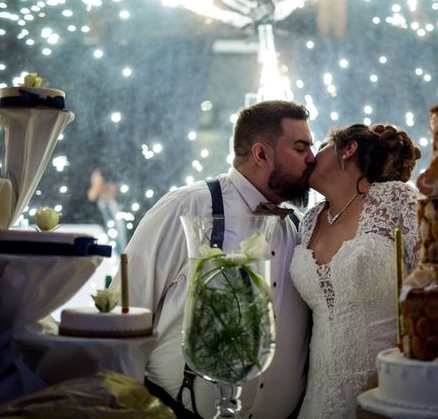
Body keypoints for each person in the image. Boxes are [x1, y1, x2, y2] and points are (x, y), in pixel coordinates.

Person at [111, 100, 315, 418]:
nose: (312, 159)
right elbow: (126, 316)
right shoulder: (186, 208)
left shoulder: (301, 229)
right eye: (301, 148)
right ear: (262, 154)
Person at [289, 123, 421, 419]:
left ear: (348, 149)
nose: (310, 157)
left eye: (320, 147)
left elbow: (436, 287)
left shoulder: (397, 200)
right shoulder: (308, 221)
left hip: (385, 392)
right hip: (317, 400)